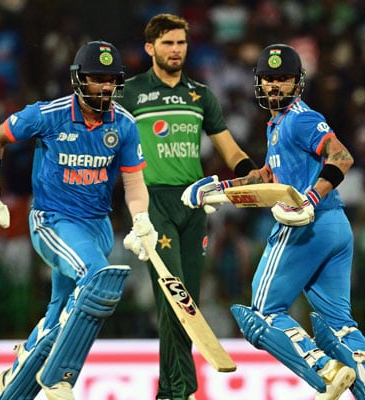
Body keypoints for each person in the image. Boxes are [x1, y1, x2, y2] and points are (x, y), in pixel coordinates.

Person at [182, 44, 365, 400]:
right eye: (268, 79)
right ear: (259, 83)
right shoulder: (277, 125)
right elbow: (269, 178)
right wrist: (219, 189)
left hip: (305, 227)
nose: (274, 86)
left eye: (282, 79)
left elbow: (341, 156)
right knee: (337, 323)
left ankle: (326, 371)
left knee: (262, 315)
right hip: (335, 228)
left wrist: (310, 199)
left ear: (297, 82)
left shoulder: (300, 118)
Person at [0, 40, 158, 400]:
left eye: (110, 80)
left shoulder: (126, 125)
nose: (104, 87)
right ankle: (59, 377)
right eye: (96, 79)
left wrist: (142, 220)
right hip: (53, 221)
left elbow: (133, 182)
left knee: (60, 316)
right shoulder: (49, 114)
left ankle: (9, 384)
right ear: (78, 79)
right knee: (98, 280)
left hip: (97, 227)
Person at [119, 13, 259, 400]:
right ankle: (181, 390)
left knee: (188, 303)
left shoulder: (200, 95)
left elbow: (228, 148)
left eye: (180, 42)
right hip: (153, 201)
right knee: (174, 296)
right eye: (167, 43)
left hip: (193, 202)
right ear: (150, 48)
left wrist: (251, 171)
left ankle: (168, 391)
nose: (175, 50)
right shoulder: (129, 93)